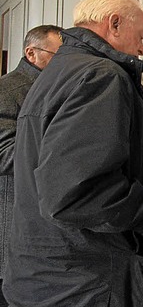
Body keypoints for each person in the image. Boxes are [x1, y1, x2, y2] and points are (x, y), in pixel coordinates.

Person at [3, 0, 143, 306]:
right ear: (114, 23)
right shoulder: (100, 73)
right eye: (141, 37)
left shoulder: (60, 70)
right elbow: (74, 188)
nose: (142, 48)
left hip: (52, 266)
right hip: (85, 273)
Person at [0, 25, 63, 304]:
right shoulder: (8, 89)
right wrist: (65, 148)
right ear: (31, 53)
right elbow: (5, 155)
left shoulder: (52, 85)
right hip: (17, 211)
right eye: (58, 56)